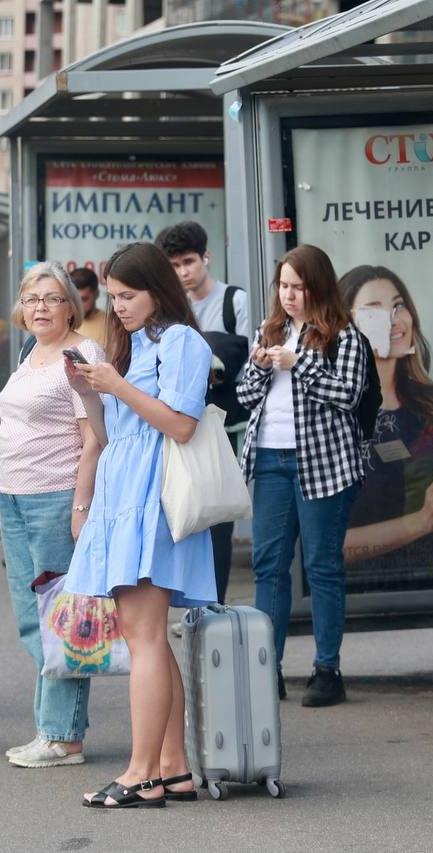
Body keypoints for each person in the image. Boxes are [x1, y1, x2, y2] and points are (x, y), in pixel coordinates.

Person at [63, 242, 215, 808]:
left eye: (128, 296)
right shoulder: (135, 344)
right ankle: (172, 768)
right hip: (125, 492)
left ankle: (142, 773)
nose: (117, 306)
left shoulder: (182, 342)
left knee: (144, 636)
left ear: (158, 291)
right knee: (145, 636)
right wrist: (90, 390)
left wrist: (116, 384)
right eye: (113, 296)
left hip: (153, 496)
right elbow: (111, 431)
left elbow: (180, 425)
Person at [0, 261, 102, 768]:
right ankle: (50, 728)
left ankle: (63, 736)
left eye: (52, 299)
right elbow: (11, 429)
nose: (41, 308)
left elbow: (95, 435)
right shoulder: (32, 352)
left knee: (62, 620)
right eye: (32, 299)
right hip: (13, 497)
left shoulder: (81, 352)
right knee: (33, 621)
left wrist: (81, 505)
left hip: (54, 499)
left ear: (70, 305)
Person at [235, 244, 367, 708]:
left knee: (322, 564)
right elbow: (246, 397)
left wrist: (300, 363)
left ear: (318, 287)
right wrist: (258, 364)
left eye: (298, 287)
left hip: (324, 462)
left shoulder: (343, 334)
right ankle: (266, 669)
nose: (289, 296)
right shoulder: (270, 329)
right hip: (270, 458)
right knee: (269, 565)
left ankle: (327, 669)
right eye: (284, 286)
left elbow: (349, 393)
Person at [338, 266, 433, 585]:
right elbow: (327, 545)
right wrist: (422, 520)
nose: (394, 319)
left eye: (398, 306)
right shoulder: (334, 410)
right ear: (346, 326)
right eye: (374, 310)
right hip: (361, 596)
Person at [156, 220, 250, 603]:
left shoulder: (234, 302)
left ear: (206, 257)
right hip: (181, 425)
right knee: (183, 514)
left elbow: (252, 364)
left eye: (189, 262)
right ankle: (194, 603)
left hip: (227, 425)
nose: (183, 272)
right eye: (175, 265)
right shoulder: (167, 309)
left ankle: (215, 604)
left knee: (218, 518)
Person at [72, 267, 107, 348]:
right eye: (74, 299)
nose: (78, 305)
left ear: (96, 294)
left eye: (83, 299)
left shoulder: (111, 325)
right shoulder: (62, 322)